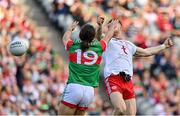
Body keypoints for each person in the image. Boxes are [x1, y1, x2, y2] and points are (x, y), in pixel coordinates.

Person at [103, 19, 173, 115]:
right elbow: (98, 36)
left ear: (121, 27)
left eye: (115, 23)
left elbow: (147, 52)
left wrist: (163, 46)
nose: (113, 25)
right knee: (120, 108)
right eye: (110, 24)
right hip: (113, 78)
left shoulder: (129, 44)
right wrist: (102, 28)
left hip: (127, 80)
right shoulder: (106, 40)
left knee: (131, 114)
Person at [59, 18, 118, 115]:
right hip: (89, 91)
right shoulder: (99, 47)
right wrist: (111, 27)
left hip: (74, 86)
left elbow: (65, 38)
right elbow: (108, 36)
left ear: (80, 35)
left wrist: (70, 29)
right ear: (93, 36)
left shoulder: (73, 46)